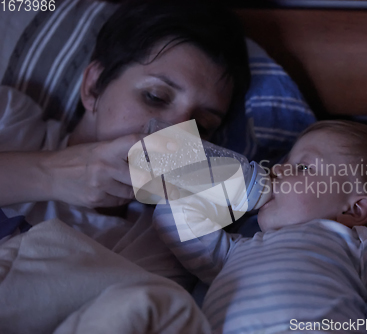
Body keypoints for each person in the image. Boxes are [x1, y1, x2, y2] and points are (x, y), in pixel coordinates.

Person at [0, 0, 249, 287]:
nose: (176, 138)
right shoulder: (11, 119)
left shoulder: (160, 245)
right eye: (155, 96)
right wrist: (50, 175)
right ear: (93, 87)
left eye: (202, 126)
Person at [153, 120, 367, 333]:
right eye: (283, 163)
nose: (277, 171)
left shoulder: (356, 243)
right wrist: (199, 178)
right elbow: (180, 229)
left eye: (303, 167)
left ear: (353, 210)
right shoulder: (236, 249)